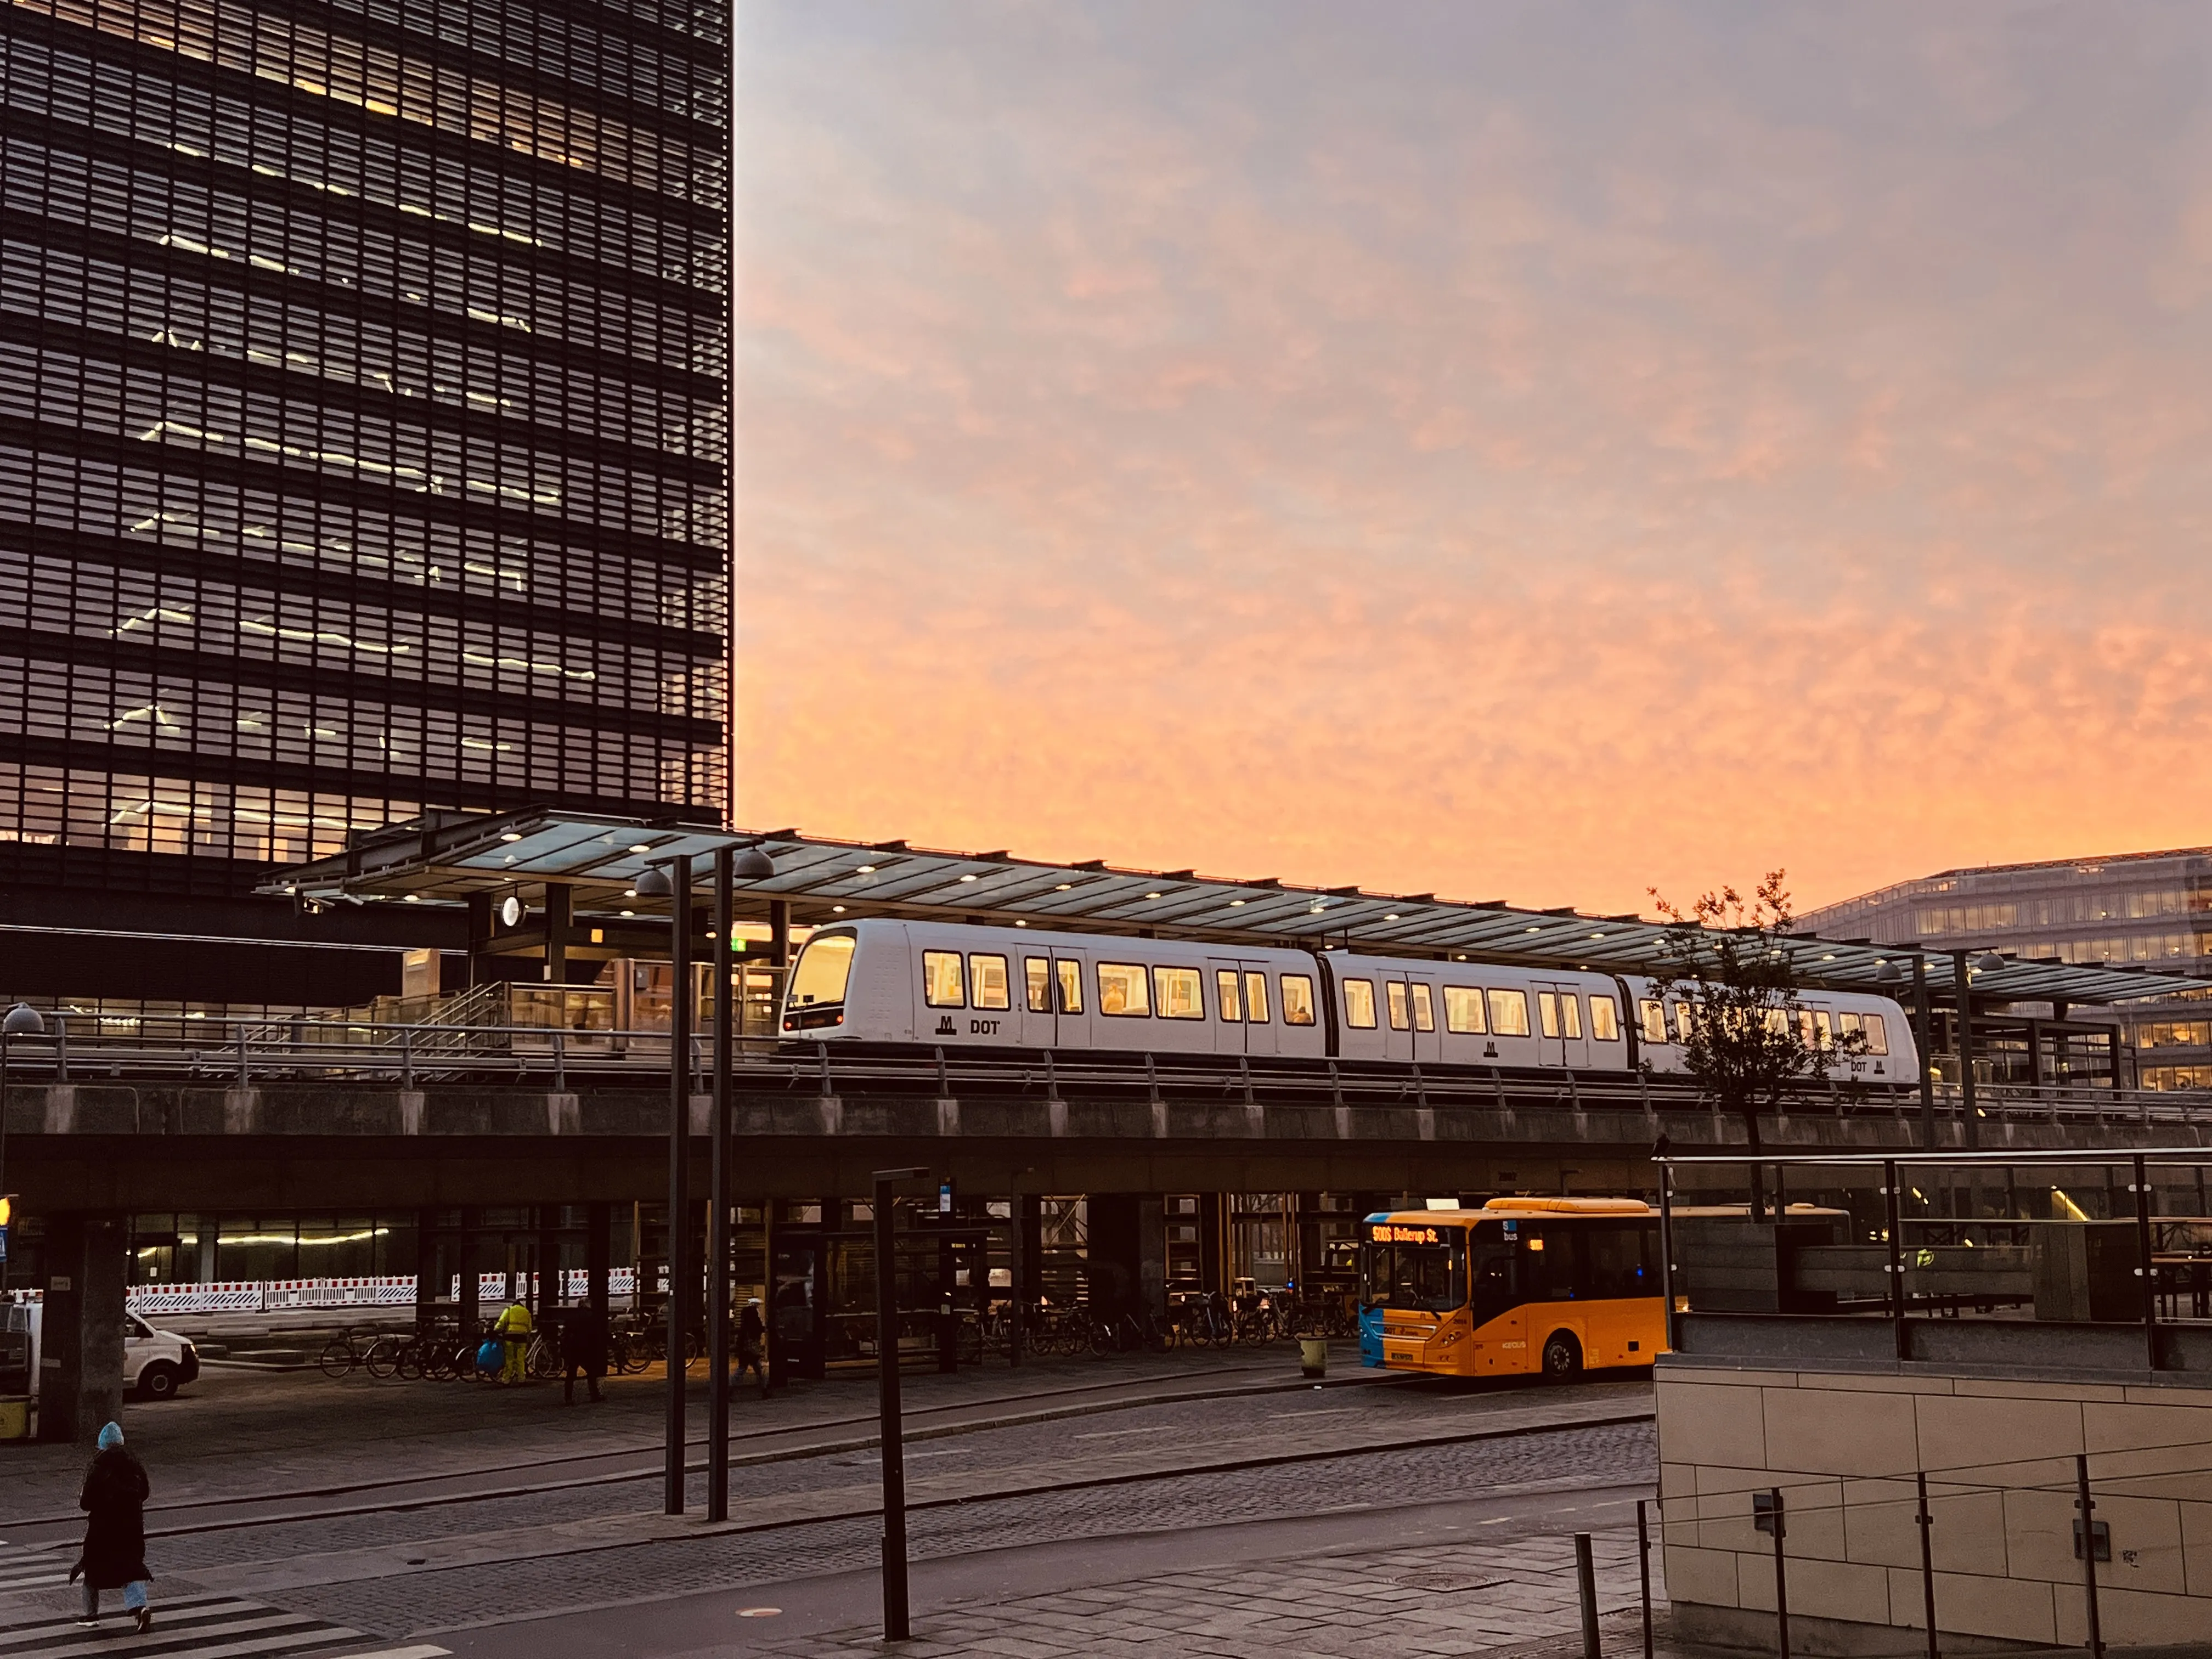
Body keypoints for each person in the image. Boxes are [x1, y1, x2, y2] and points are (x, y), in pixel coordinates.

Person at [72, 1421, 152, 1633]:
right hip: (131, 1529)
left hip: (103, 1530)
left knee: (93, 1570)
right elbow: (144, 1492)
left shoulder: (98, 1466)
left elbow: (86, 1503)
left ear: (102, 1444)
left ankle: (91, 1615)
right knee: (131, 1568)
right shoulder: (133, 1463)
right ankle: (140, 1608)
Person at [561, 1302, 607, 1404]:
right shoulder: (590, 1317)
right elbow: (595, 1335)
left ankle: (568, 1398)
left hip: (573, 1349)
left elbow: (566, 1333)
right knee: (591, 1373)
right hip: (586, 1349)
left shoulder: (572, 1317)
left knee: (571, 1374)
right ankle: (594, 1395)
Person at [492, 1297, 533, 1385]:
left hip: (510, 1337)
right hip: (522, 1338)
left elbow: (502, 1322)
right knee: (520, 1359)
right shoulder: (526, 1312)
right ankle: (521, 1379)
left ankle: (506, 1379)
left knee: (509, 1359)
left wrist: (495, 1330)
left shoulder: (509, 1310)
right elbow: (530, 1328)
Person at [735, 1299, 766, 1392]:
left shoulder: (744, 1327)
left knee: (742, 1370)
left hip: (745, 1350)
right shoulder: (755, 1325)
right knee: (758, 1370)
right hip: (752, 1350)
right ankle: (764, 1389)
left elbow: (741, 1338)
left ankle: (731, 1388)